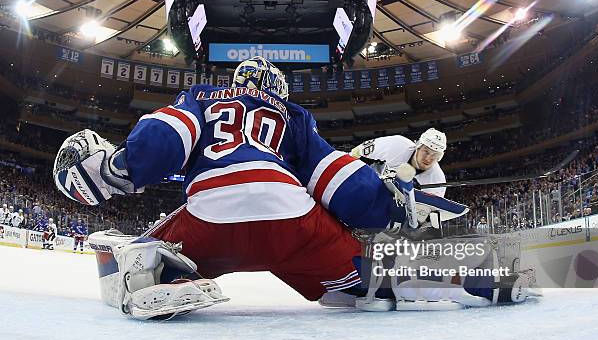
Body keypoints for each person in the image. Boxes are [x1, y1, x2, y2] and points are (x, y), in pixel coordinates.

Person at [53, 56, 419, 319]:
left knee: (156, 247)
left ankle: (160, 272)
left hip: (213, 214)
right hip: (290, 217)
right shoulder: (294, 115)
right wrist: (382, 206)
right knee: (366, 271)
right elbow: (335, 175)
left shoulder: (202, 97)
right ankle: (376, 281)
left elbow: (170, 135)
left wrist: (123, 167)